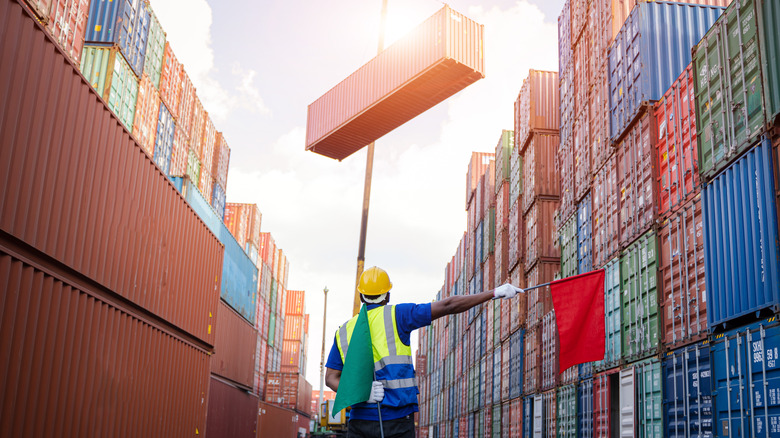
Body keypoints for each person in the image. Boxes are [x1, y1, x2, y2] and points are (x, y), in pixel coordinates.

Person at [325, 266, 523, 438]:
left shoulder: (343, 331)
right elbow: (448, 305)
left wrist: (363, 393)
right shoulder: (399, 315)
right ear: (388, 295)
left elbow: (331, 378)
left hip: (359, 424)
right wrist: (495, 292)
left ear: (361, 296)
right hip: (397, 422)